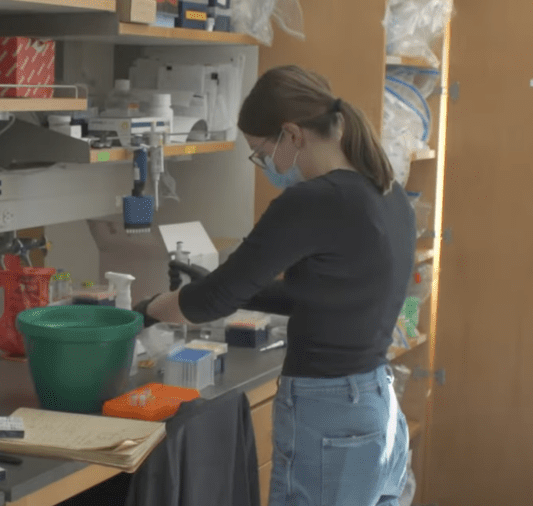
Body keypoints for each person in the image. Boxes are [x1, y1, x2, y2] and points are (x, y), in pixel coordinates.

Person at [136, 65, 415, 506]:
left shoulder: (311, 200)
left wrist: (149, 307)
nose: (263, 163)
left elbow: (210, 302)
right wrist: (233, 288)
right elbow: (329, 296)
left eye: (259, 150)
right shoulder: (386, 191)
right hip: (376, 409)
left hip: (327, 414)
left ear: (292, 135)